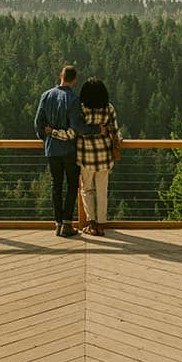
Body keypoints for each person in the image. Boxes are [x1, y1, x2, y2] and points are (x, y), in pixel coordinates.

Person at [34, 65, 103, 237]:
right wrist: (97, 130)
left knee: (56, 186)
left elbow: (38, 123)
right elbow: (78, 127)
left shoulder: (46, 95)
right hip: (69, 150)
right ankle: (66, 224)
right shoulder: (73, 99)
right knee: (72, 185)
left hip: (52, 150)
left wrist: (47, 139)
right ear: (74, 80)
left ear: (61, 76)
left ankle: (57, 224)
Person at [50, 77, 121, 237]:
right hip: (104, 156)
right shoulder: (109, 108)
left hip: (86, 156)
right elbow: (115, 131)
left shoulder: (81, 109)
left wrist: (55, 133)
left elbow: (76, 130)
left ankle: (92, 224)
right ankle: (102, 225)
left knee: (87, 190)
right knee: (102, 191)